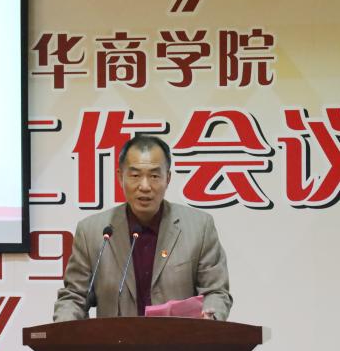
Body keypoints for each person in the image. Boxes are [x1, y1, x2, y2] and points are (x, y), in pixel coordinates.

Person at [53, 134, 232, 321]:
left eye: (154, 176)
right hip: (115, 340)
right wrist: (64, 327)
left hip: (179, 340)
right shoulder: (92, 232)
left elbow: (215, 292)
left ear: (168, 178)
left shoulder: (199, 228)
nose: (145, 186)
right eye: (135, 175)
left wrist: (210, 318)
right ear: (120, 177)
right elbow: (74, 297)